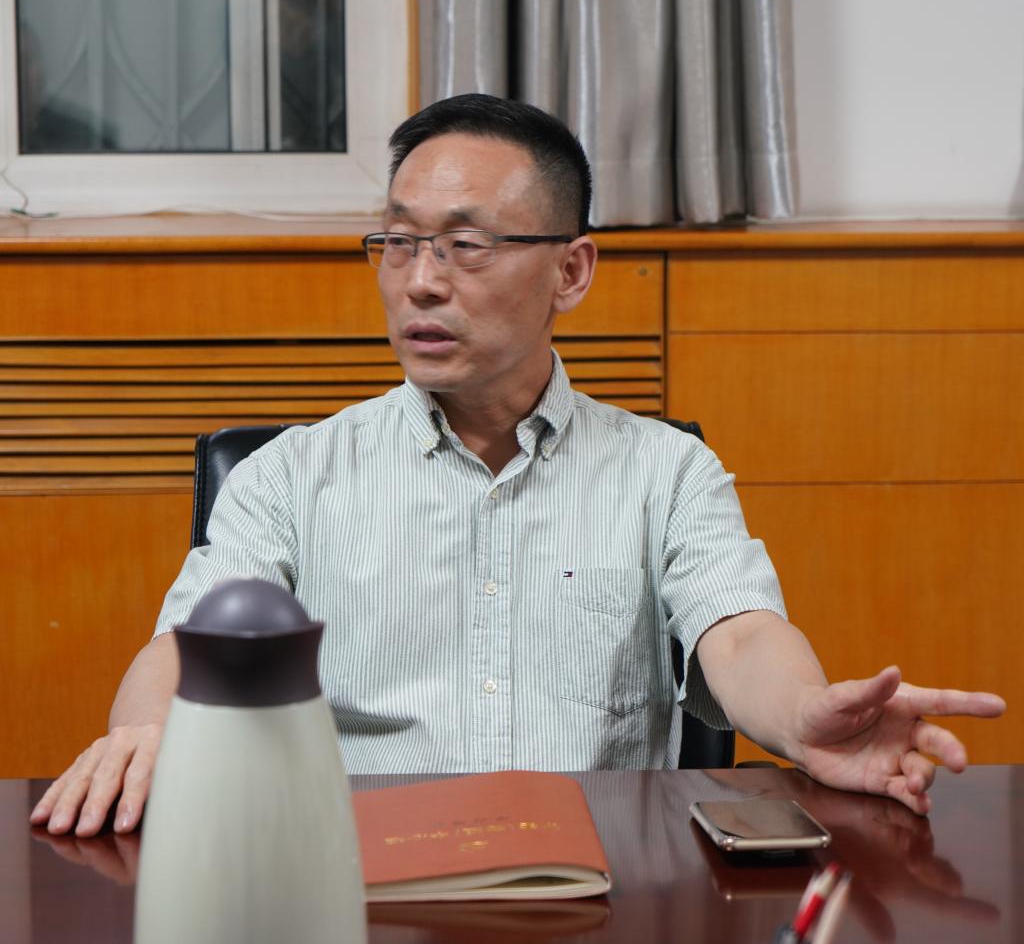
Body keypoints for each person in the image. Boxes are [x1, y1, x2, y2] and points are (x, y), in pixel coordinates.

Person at [31, 94, 1005, 839]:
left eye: (464, 245)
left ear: (570, 270)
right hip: (364, 890)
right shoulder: (292, 476)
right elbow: (186, 649)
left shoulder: (665, 471)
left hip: (602, 894)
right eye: (398, 242)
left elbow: (741, 635)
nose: (420, 281)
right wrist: (146, 733)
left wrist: (802, 718)